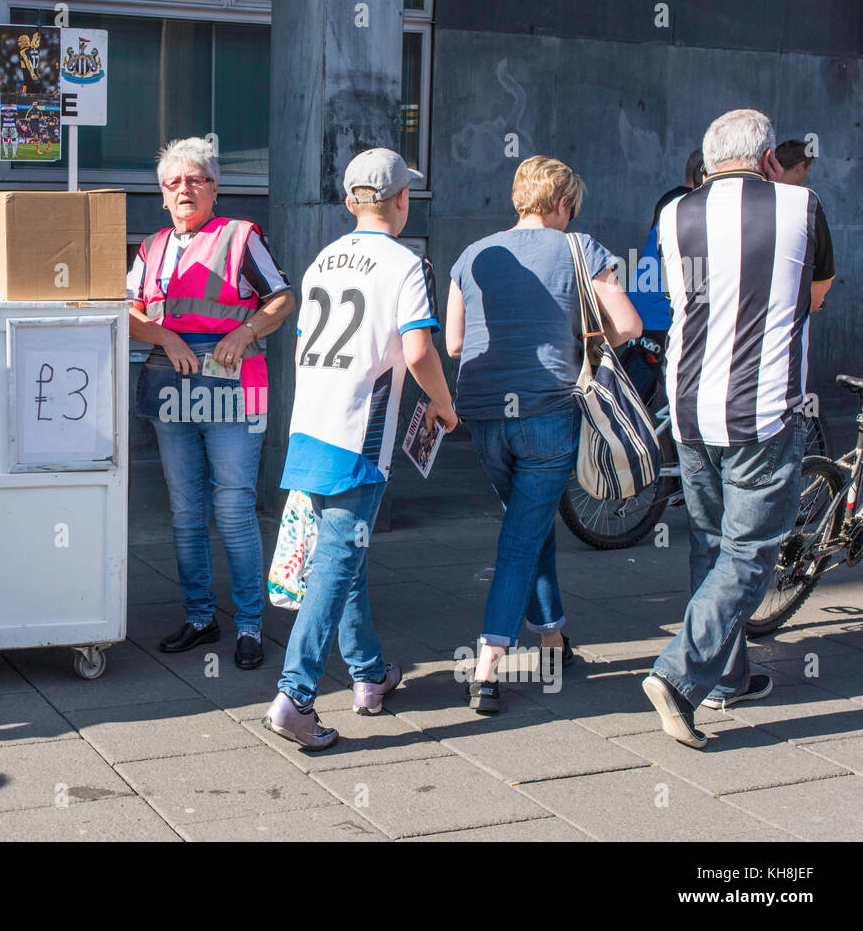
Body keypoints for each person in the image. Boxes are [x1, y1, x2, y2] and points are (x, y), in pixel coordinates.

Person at [642, 109, 834, 747]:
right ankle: (680, 674)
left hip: (691, 404)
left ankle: (728, 678)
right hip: (763, 407)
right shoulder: (801, 206)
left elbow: (686, 296)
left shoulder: (675, 214)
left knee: (709, 540)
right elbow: (816, 295)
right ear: (767, 159)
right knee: (750, 553)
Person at [262, 148, 457, 750]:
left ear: (351, 202)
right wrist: (445, 406)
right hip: (358, 431)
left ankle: (369, 675)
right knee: (338, 560)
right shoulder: (406, 263)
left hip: (310, 423)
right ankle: (295, 697)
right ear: (403, 200)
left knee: (346, 554)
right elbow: (420, 350)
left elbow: (298, 353)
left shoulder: (322, 260)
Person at [445, 156, 641, 714]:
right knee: (520, 539)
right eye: (571, 207)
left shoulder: (472, 254)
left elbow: (455, 344)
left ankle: (553, 638)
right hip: (549, 412)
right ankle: (486, 668)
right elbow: (628, 325)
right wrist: (580, 332)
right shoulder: (579, 248)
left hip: (483, 414)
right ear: (562, 204)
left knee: (529, 524)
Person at [129, 136, 295, 670]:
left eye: (195, 179)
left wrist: (247, 332)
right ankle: (200, 617)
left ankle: (248, 625)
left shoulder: (240, 237)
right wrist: (164, 337)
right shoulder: (150, 247)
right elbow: (127, 312)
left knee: (233, 507)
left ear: (215, 187)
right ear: (161, 194)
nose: (184, 189)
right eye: (173, 182)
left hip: (231, 385)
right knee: (185, 511)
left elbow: (282, 298)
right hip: (173, 384)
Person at [623, 147, 704, 402]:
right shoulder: (693, 208)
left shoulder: (668, 202)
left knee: (633, 403)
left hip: (638, 310)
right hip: (663, 316)